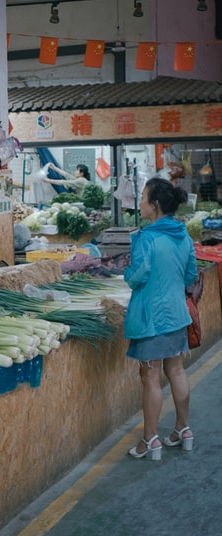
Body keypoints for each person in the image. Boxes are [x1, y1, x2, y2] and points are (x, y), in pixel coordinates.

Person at [124, 177, 198, 461]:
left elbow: (138, 276)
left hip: (151, 318)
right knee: (177, 370)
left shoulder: (146, 238)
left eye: (143, 198)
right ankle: (183, 429)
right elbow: (191, 276)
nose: (139, 203)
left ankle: (150, 439)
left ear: (154, 206)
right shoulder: (183, 235)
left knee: (150, 376)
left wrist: (126, 274)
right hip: (177, 315)